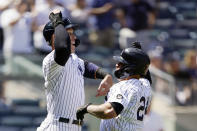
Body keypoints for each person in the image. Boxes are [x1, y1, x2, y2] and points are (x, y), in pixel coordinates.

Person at [37, 9, 113, 131]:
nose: (74, 37)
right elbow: (62, 47)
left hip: (74, 126)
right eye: (69, 34)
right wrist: (57, 20)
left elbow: (87, 67)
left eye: (73, 33)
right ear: (55, 37)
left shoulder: (74, 58)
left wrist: (106, 75)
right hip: (57, 125)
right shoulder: (51, 60)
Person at [76, 42, 152, 131]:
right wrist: (139, 54)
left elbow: (108, 111)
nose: (117, 65)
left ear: (130, 68)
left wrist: (86, 108)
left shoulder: (124, 86)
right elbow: (145, 73)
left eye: (121, 63)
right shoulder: (146, 86)